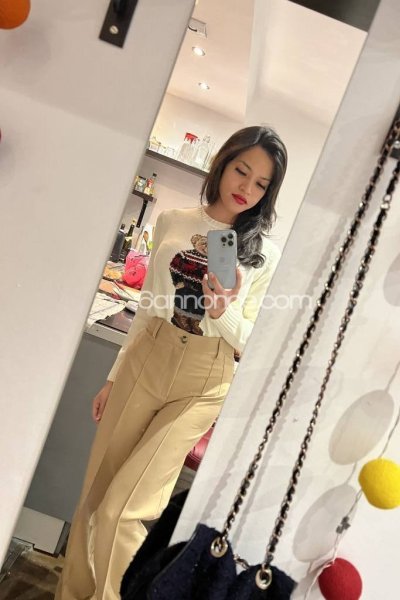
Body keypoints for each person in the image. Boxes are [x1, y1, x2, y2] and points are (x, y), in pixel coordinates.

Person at [56, 125, 288, 600]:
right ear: (223, 163)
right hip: (149, 355)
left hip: (205, 377)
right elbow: (148, 306)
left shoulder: (263, 254)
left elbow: (252, 341)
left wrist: (221, 312)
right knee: (94, 498)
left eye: (261, 183)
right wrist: (114, 376)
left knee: (124, 511)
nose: (246, 188)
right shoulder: (174, 221)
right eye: (241, 170)